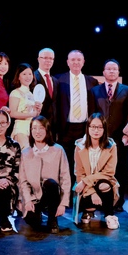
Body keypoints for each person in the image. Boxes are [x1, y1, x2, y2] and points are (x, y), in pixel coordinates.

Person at [89, 58, 128, 211]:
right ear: (104, 72)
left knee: (120, 169)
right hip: (99, 137)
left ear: (118, 72)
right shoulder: (95, 91)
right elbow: (92, 115)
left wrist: (127, 135)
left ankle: (118, 201)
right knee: (100, 169)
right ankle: (101, 201)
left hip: (120, 137)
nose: (112, 71)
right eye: (109, 69)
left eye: (114, 69)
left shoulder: (127, 90)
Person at [18, 116, 71, 234]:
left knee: (51, 183)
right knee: (33, 221)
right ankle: (38, 214)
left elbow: (65, 178)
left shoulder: (58, 150)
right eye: (34, 128)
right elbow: (23, 181)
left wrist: (63, 203)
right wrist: (28, 201)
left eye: (41, 128)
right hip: (34, 197)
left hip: (52, 193)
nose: (37, 132)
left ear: (47, 129)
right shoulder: (25, 153)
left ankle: (52, 220)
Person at [54, 49, 99, 185]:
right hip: (65, 128)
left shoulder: (92, 81)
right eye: (73, 60)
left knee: (83, 162)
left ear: (83, 62)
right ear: (67, 62)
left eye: (79, 60)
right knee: (66, 162)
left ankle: (82, 190)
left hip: (85, 128)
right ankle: (66, 191)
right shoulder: (58, 80)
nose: (76, 62)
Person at [73, 113, 120, 229]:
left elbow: (109, 173)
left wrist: (86, 181)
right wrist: (92, 192)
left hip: (102, 185)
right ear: (88, 128)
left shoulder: (111, 146)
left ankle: (109, 215)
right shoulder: (79, 146)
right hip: (86, 189)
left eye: (99, 127)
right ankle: (88, 210)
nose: (96, 130)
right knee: (84, 192)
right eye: (93, 127)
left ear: (104, 129)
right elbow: (79, 173)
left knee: (104, 184)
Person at [9, 62, 42, 150]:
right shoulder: (15, 92)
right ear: (18, 77)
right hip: (21, 130)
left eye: (30, 74)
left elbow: (34, 114)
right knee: (24, 155)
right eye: (24, 74)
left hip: (32, 131)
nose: (28, 77)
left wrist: (38, 110)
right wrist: (30, 114)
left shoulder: (31, 94)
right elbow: (12, 113)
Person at [33, 47, 58, 136]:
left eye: (51, 58)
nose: (48, 61)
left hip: (53, 126)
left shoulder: (55, 81)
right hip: (38, 124)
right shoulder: (32, 77)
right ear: (38, 59)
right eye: (45, 58)